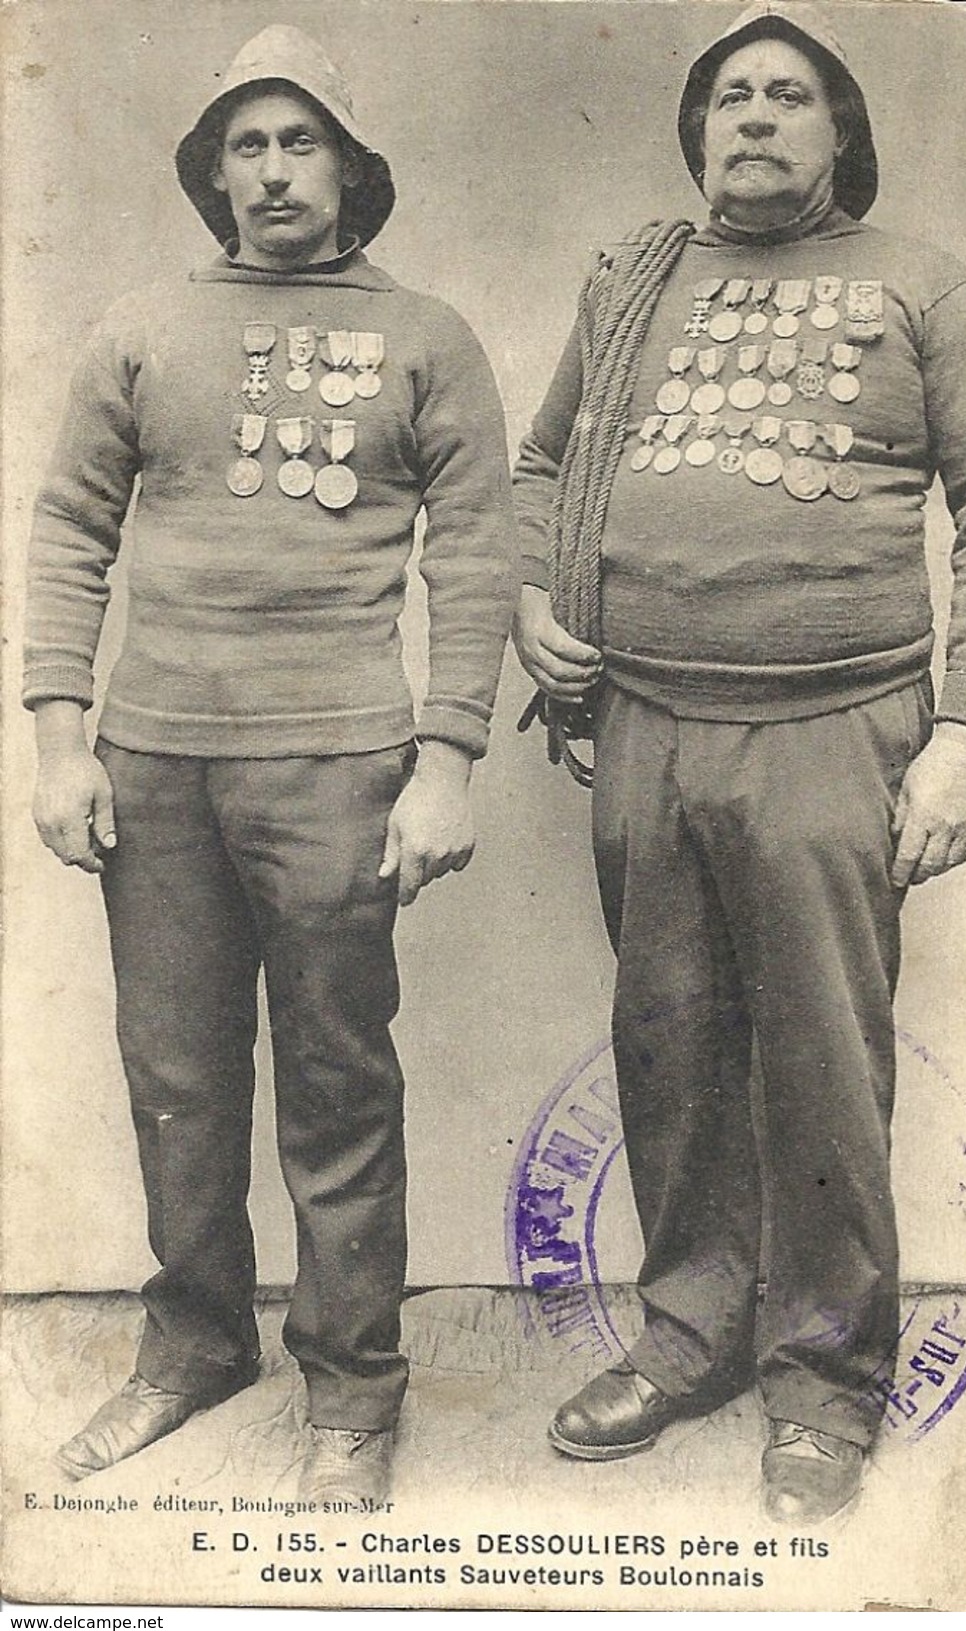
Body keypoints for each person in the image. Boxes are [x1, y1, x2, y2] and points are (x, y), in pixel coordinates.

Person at [511, 0, 966, 1522]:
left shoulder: (925, 284)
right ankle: (691, 1336)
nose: (753, 116)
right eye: (729, 95)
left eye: (788, 95)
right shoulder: (630, 283)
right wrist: (535, 604)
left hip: (836, 730)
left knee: (818, 1063)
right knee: (671, 1051)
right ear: (694, 132)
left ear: (841, 133)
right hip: (647, 722)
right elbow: (543, 467)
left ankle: (825, 1377)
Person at [23, 24, 516, 1506]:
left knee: (335, 1083)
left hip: (339, 770)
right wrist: (60, 739)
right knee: (175, 1078)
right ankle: (191, 1349)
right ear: (211, 173)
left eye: (301, 141)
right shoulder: (135, 328)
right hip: (154, 764)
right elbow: (66, 537)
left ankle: (355, 1390)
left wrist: (447, 763)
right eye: (246, 143)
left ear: (352, 171)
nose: (273, 169)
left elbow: (480, 557)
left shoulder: (428, 335)